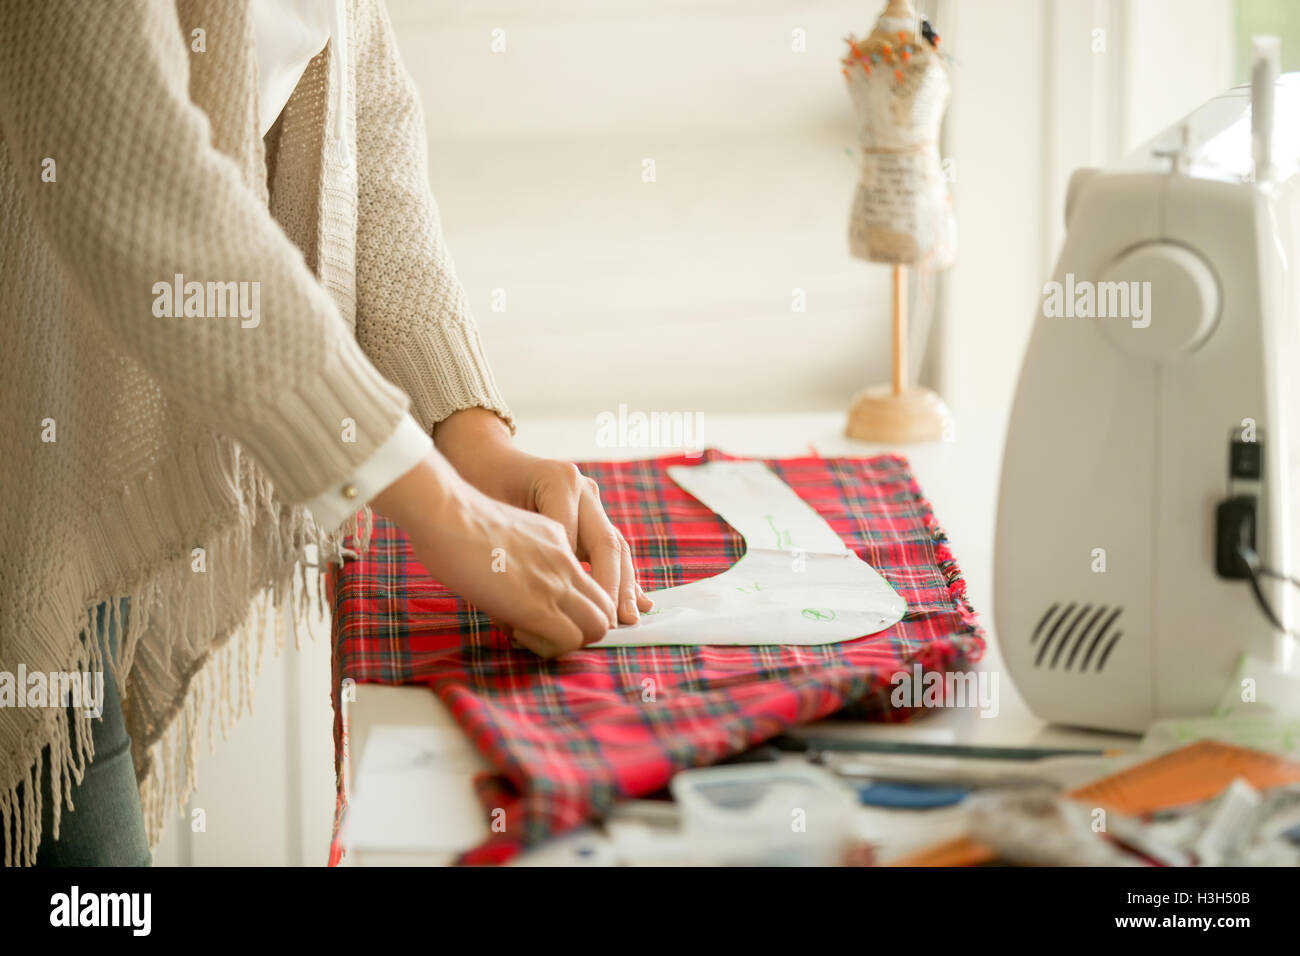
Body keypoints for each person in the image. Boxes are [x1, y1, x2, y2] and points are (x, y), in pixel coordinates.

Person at [0, 0, 648, 866]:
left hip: (77, 473)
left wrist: (469, 431)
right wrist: (438, 507)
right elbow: (133, 172)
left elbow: (364, 111)